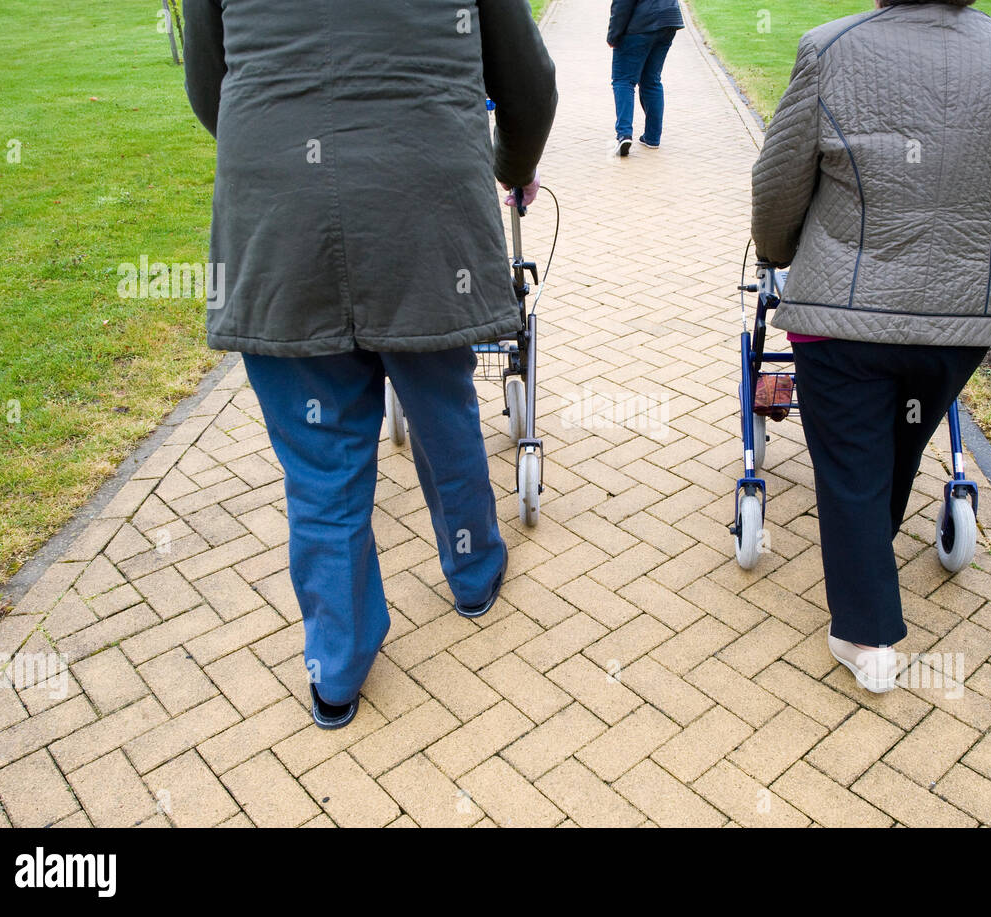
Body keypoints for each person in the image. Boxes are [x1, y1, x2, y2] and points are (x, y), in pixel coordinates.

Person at [182, 0, 557, 729]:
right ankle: (474, 572)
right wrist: (515, 166)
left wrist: (270, 143)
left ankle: (338, 668)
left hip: (281, 213)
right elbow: (528, 83)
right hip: (423, 201)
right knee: (443, 407)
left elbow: (210, 86)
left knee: (320, 462)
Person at [750, 0, 991, 692]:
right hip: (956, 325)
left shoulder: (828, 48)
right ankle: (868, 571)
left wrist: (778, 255)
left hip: (843, 315)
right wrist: (984, 258)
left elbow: (776, 186)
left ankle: (866, 636)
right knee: (894, 449)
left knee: (854, 467)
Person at [607, 0, 684, 156]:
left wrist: (613, 35)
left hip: (641, 25)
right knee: (652, 81)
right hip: (668, 21)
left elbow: (622, 4)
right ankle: (652, 137)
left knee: (623, 80)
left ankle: (624, 134)